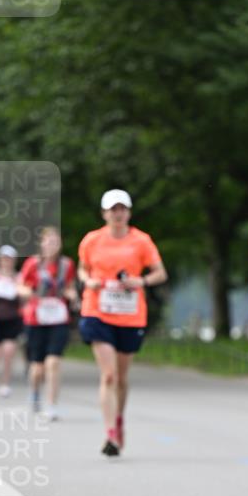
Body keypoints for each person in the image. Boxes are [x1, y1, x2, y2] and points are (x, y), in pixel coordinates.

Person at [78, 189, 168, 456]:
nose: (117, 214)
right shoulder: (92, 240)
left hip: (129, 313)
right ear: (104, 213)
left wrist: (139, 281)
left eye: (122, 209)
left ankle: (118, 419)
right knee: (108, 375)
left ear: (128, 212)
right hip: (97, 310)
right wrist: (88, 280)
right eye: (112, 209)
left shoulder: (141, 241)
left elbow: (159, 273)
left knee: (121, 377)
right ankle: (110, 434)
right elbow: (82, 267)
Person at [19, 227, 77, 419]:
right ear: (41, 243)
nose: (52, 245)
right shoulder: (32, 264)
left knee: (53, 362)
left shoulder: (66, 265)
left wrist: (71, 295)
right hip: (36, 318)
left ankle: (52, 404)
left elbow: (69, 287)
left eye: (55, 242)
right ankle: (35, 392)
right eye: (48, 241)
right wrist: (31, 293)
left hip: (58, 318)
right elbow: (21, 286)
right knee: (37, 367)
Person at [0, 245, 24, 397]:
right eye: (4, 258)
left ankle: (5, 383)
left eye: (9, 259)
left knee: (8, 352)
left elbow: (24, 298)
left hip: (12, 318)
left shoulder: (19, 278)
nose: (6, 262)